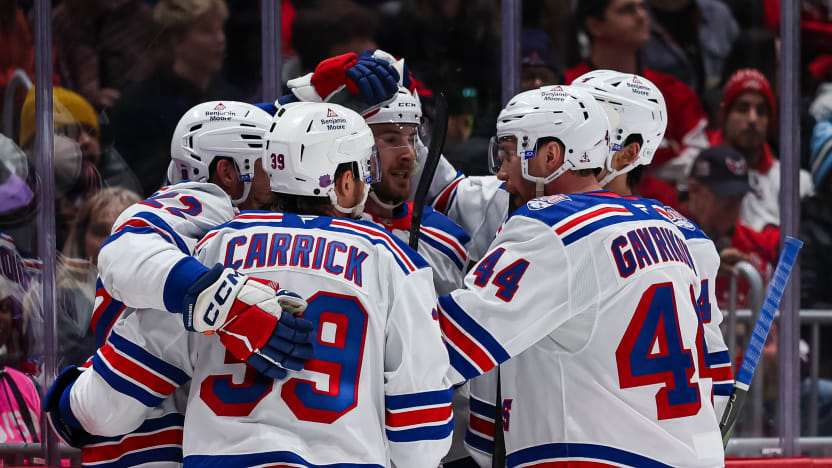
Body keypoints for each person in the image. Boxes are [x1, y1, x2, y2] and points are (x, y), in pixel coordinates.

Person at [47, 102, 453, 467]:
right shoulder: (393, 260)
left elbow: (106, 406)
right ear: (345, 182)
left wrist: (69, 404)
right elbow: (422, 436)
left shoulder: (212, 247)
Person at [440, 85, 723, 467]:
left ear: (551, 155)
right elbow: (716, 380)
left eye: (508, 154)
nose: (502, 174)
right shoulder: (671, 229)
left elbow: (453, 341)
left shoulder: (551, 227)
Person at [45, 101, 314, 467]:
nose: (281, 177)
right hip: (146, 439)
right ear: (229, 173)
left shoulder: (246, 233)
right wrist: (227, 301)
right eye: (270, 163)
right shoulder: (204, 206)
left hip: (160, 433)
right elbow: (124, 252)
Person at [568, 0, 710, 206]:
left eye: (642, 7)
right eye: (627, 10)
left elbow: (700, 166)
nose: (642, 16)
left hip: (667, 218)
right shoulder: (569, 91)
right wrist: (663, 158)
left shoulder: (674, 92)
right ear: (594, 26)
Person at [109, 0, 242, 196]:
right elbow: (143, 182)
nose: (220, 39)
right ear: (176, 41)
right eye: (207, 31)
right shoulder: (137, 106)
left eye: (220, 29)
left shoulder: (232, 99)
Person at [362, 88, 470, 295]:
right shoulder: (333, 229)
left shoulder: (443, 235)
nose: (409, 154)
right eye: (392, 140)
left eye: (411, 139)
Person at [709, 68, 814, 230]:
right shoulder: (701, 172)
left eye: (761, 111)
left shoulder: (797, 181)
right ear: (724, 115)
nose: (752, 119)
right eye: (742, 108)